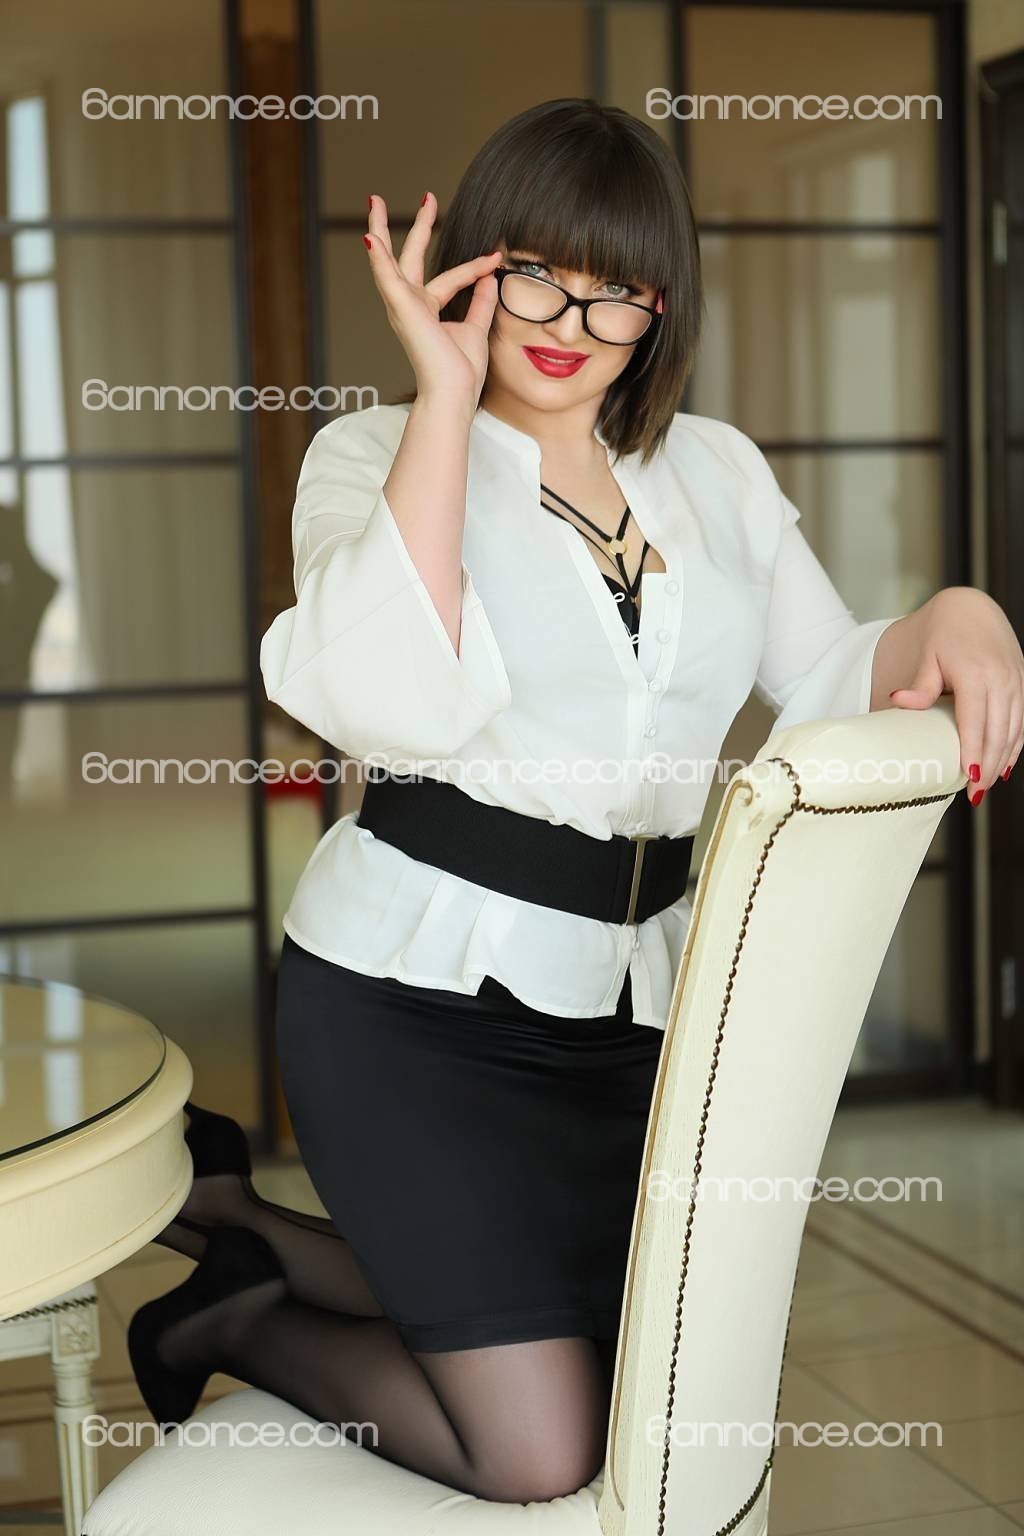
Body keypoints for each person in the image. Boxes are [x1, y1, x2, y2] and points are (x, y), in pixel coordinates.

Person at [128, 98, 1023, 1505]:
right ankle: (229, 1324)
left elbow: (830, 676)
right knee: (544, 1443)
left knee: (615, 1362)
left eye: (621, 292)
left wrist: (957, 611)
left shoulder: (713, 470)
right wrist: (443, 401)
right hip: (412, 1005)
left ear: (661, 309)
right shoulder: (370, 453)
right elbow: (385, 699)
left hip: (632, 1013)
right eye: (541, 274)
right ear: (479, 262)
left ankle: (232, 1226)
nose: (573, 324)